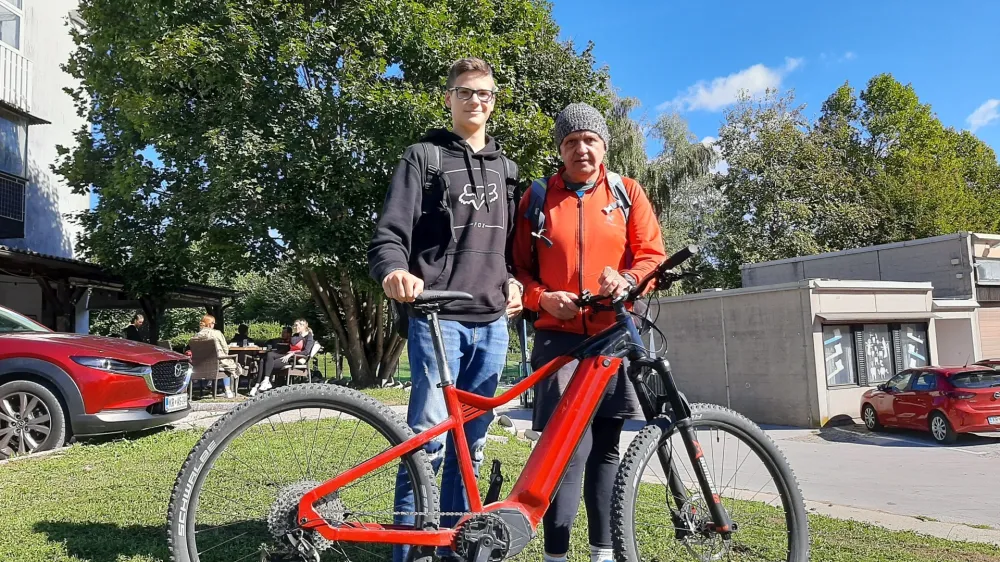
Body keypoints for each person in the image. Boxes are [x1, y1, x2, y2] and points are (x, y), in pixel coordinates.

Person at [367, 57, 523, 562]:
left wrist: (517, 282)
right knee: (426, 446)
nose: (476, 100)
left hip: (493, 324)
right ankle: (410, 551)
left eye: (485, 94)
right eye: (465, 92)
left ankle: (456, 547)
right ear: (449, 98)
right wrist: (394, 271)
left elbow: (514, 249)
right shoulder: (424, 157)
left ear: (493, 102)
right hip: (438, 320)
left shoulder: (508, 171)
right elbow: (391, 233)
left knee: (469, 449)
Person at [512, 102, 666, 562]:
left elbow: (651, 256)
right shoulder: (537, 197)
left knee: (605, 449)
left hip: (613, 335)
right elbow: (516, 269)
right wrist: (542, 299)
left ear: (604, 146)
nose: (582, 148)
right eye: (571, 141)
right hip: (558, 340)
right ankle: (555, 556)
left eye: (590, 140)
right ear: (560, 149)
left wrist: (628, 280)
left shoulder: (627, 192)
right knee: (565, 451)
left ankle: (602, 554)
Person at [250, 320, 314, 395]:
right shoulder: (296, 336)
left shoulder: (309, 337)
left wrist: (292, 354)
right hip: (287, 355)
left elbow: (306, 352)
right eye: (294, 325)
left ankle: (259, 385)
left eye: (296, 325)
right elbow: (292, 343)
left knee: (265, 363)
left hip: (294, 358)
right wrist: (299, 335)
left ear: (303, 326)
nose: (294, 327)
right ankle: (263, 382)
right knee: (267, 356)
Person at [189, 314, 242, 399]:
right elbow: (225, 348)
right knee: (229, 363)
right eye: (213, 323)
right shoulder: (216, 333)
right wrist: (224, 354)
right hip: (217, 362)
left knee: (223, 362)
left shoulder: (196, 336)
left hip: (200, 365)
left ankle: (205, 386)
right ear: (210, 324)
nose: (214, 325)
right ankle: (228, 390)